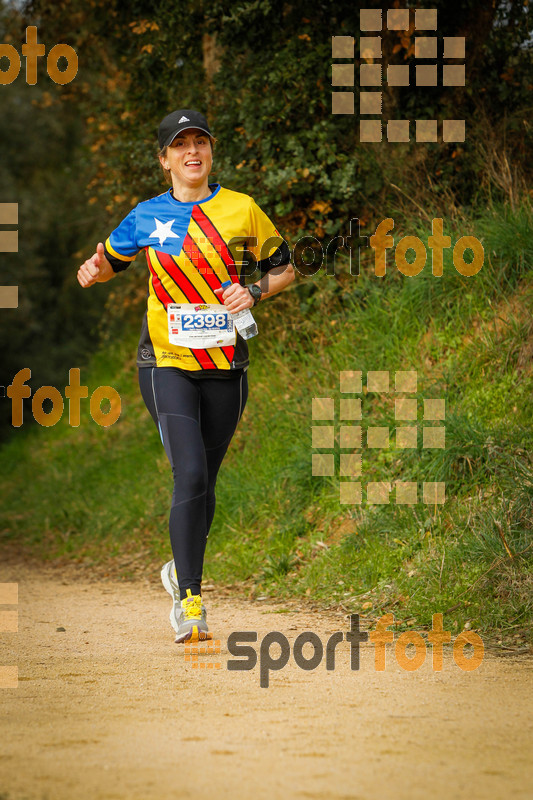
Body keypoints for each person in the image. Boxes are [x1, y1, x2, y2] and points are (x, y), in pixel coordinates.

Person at [77, 109, 295, 643]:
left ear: (210, 152)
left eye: (199, 142)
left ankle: (179, 566)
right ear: (164, 159)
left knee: (206, 484)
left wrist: (256, 290)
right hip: (166, 363)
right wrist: (94, 269)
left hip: (227, 364)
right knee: (190, 474)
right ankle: (191, 599)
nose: (191, 152)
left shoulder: (241, 208)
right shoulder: (147, 214)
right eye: (180, 145)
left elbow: (286, 266)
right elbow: (111, 259)